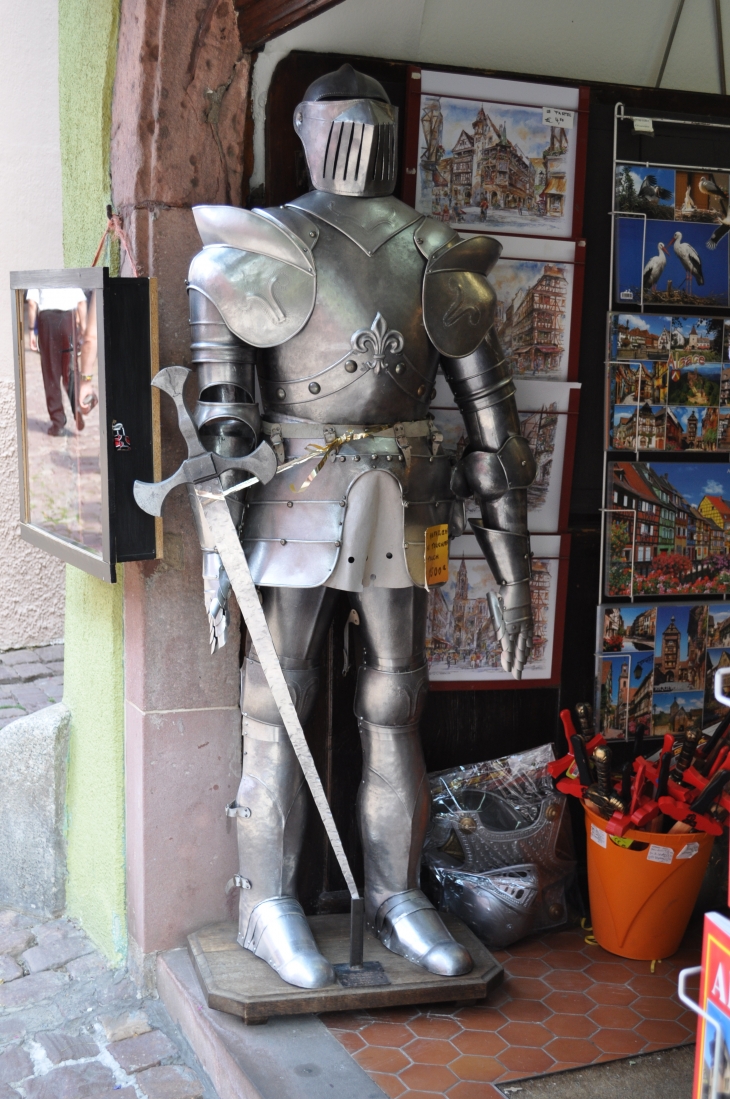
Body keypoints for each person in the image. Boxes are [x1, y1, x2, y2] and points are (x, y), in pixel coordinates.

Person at [185, 64, 535, 990]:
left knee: (395, 703)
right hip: (294, 495)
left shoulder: (434, 252)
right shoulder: (256, 248)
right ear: (303, 129)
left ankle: (396, 891)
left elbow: (497, 441)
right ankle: (267, 898)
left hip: (404, 496)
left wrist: (513, 573)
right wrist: (218, 559)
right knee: (275, 706)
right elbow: (223, 426)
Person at [26, 287, 87, 435]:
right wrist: (83, 328)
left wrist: (31, 330)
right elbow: (81, 302)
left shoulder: (38, 271)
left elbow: (32, 303)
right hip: (68, 320)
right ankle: (77, 406)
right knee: (70, 369)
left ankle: (58, 422)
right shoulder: (67, 270)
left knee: (51, 373)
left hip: (48, 322)